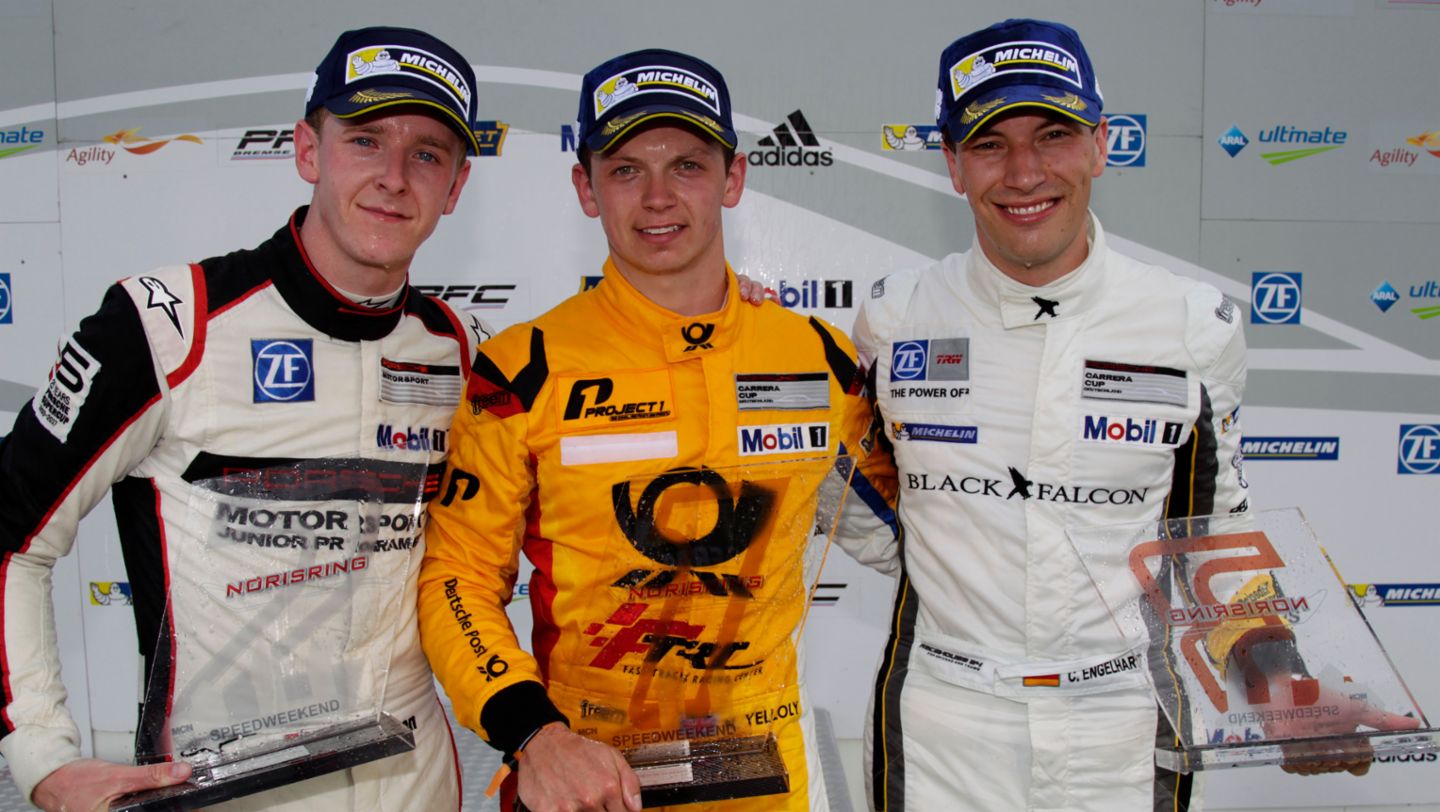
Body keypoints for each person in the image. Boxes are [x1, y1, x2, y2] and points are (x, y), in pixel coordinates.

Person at [838, 18, 1415, 812]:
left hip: (1122, 727)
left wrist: (1284, 683)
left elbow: (1213, 536)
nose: (1023, 171)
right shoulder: (894, 322)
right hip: (944, 729)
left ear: (1102, 144)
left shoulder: (1190, 326)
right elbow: (855, 502)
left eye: (1053, 135)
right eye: (989, 144)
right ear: (952, 163)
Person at [0, 26, 487, 812]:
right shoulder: (169, 325)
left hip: (415, 783)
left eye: (427, 153)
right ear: (307, 150)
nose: (395, 177)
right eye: (365, 139)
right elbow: (11, 531)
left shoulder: (458, 349)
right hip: (219, 789)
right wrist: (43, 755)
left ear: (456, 188)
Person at [418, 48, 881, 812]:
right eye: (627, 169)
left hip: (760, 779)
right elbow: (457, 577)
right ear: (586, 188)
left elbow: (917, 521)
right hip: (583, 774)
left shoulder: (818, 359)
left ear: (733, 180)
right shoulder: (524, 366)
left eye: (689, 167)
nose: (658, 198)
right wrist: (535, 736)